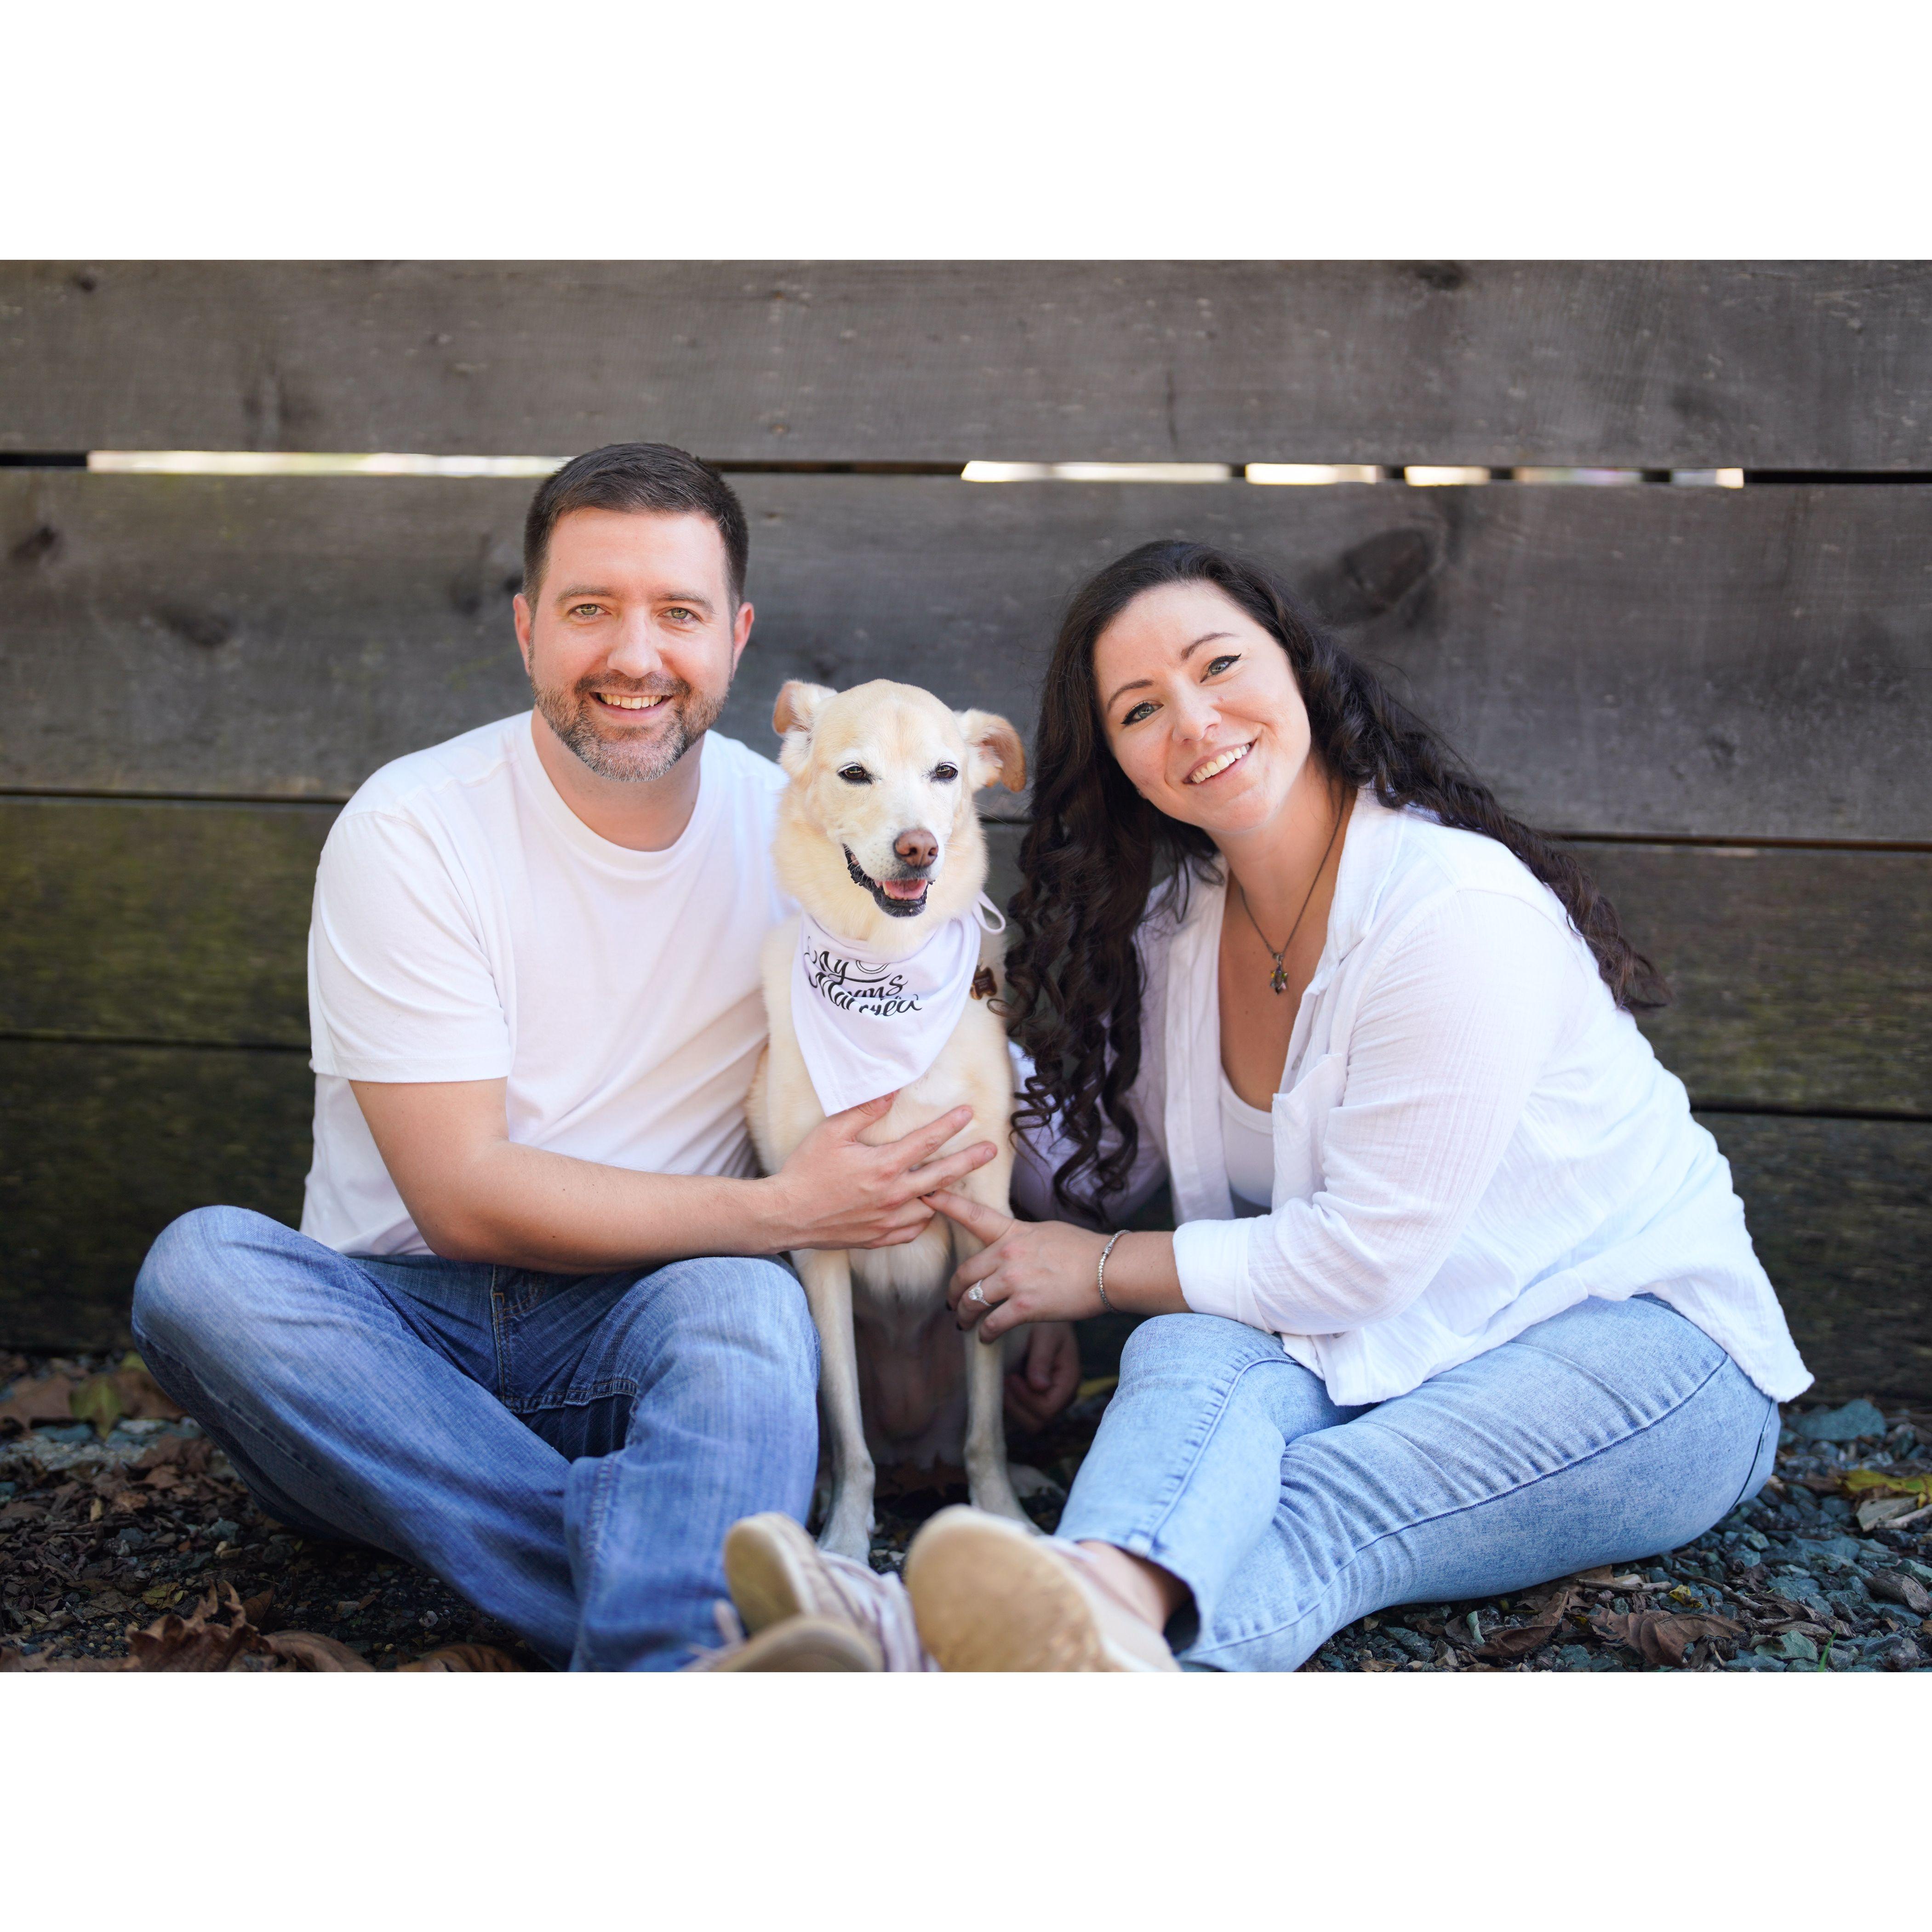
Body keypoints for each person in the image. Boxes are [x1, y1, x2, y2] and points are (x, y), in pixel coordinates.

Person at [734, 537, 1811, 1671]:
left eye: (1219, 666)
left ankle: (932, 1646)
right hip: (1372, 1348)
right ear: (1120, 760)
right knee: (1185, 1353)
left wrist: (1090, 1270)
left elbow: (1358, 1260)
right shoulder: (1181, 929)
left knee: (1315, 1498)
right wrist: (916, 1036)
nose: (1194, 722)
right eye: (1141, 708)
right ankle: (1066, 1628)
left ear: (1298, 665)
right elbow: (1086, 1159)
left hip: (1632, 1353)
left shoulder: (1453, 914)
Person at [128, 441, 1072, 1672]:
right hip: (399, 1355)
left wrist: (1029, 1251)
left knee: (749, 1307)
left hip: (657, 1328)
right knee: (201, 1270)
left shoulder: (805, 831)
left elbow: (954, 1003)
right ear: (528, 629)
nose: (635, 655)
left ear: (734, 638)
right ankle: (680, 1600)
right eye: (589, 610)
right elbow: (460, 1194)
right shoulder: (413, 828)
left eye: (677, 613)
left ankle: (647, 1617)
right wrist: (784, 1209)